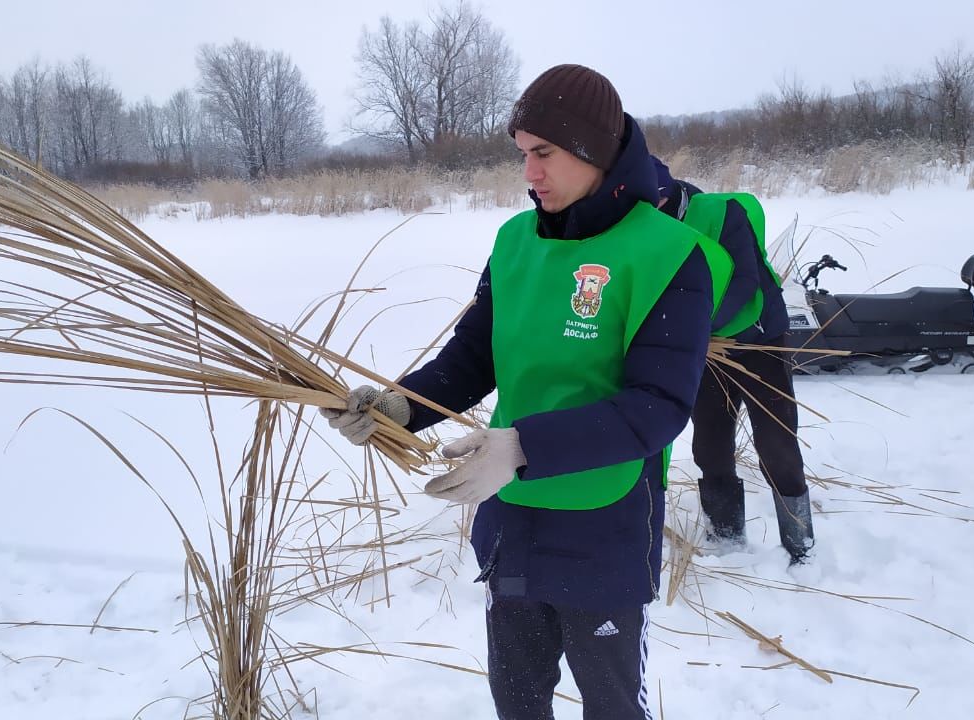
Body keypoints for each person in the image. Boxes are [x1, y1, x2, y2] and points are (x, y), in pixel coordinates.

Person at [322, 64, 733, 720]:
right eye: (522, 155)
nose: (529, 174)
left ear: (593, 152)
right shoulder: (515, 242)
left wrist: (521, 445)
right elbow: (472, 358)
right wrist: (403, 407)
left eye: (543, 154)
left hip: (606, 529)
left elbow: (657, 408)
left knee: (611, 704)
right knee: (516, 699)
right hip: (512, 522)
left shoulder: (669, 254)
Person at [651, 157, 815, 564]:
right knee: (710, 445)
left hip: (759, 341)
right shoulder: (646, 229)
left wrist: (692, 330)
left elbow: (744, 285)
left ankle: (801, 546)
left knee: (777, 445)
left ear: (664, 193)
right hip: (710, 351)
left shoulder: (723, 213)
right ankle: (726, 539)